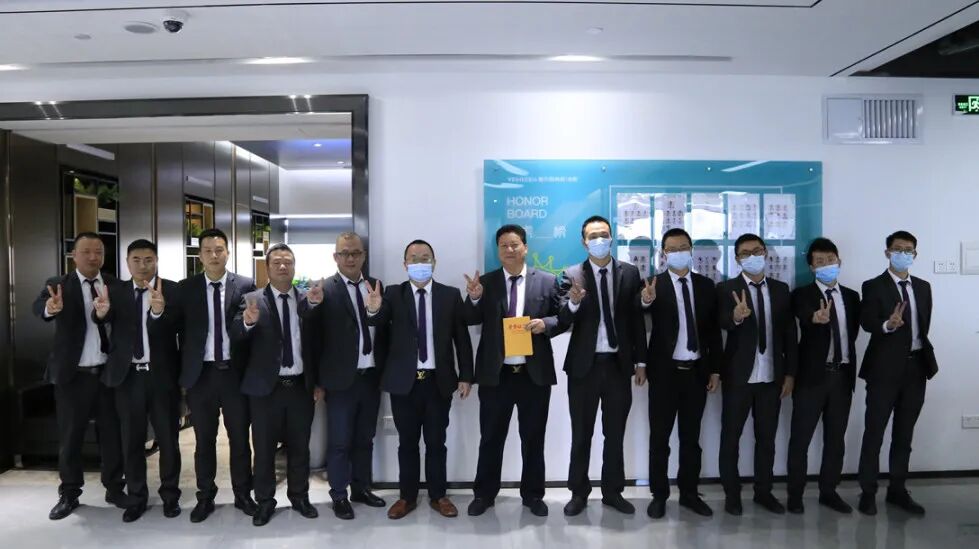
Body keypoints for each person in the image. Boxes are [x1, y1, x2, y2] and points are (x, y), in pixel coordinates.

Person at [365, 239, 474, 520]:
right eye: (414, 258)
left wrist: (466, 376)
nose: (420, 263)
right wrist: (374, 309)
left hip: (439, 382)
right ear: (405, 264)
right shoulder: (392, 293)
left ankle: (439, 496)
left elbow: (461, 339)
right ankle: (407, 497)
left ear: (434, 263)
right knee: (407, 443)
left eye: (425, 258)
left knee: (437, 442)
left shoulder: (450, 295)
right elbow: (378, 323)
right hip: (404, 384)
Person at [464, 224, 563, 518]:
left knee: (533, 438)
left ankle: (533, 495)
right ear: (498, 250)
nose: (510, 249)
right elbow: (469, 318)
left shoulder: (547, 281)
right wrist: (474, 298)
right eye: (504, 245)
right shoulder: (487, 283)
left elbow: (563, 317)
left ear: (525, 248)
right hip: (497, 375)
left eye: (515, 244)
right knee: (491, 438)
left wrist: (546, 324)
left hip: (533, 375)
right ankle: (484, 495)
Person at [163, 228, 257, 522]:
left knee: (240, 439)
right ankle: (205, 496)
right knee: (204, 440)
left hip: (234, 375)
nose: (214, 255)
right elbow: (173, 329)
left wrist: (249, 324)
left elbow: (248, 331)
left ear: (228, 253)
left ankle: (243, 494)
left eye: (219, 250)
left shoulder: (245, 284)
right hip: (201, 376)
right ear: (200, 255)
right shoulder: (185, 288)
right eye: (208, 251)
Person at [556, 215, 647, 516]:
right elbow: (563, 319)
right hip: (584, 367)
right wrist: (573, 303)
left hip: (618, 366)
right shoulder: (572, 274)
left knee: (615, 434)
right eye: (592, 236)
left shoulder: (630, 273)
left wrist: (641, 362)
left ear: (612, 237)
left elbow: (636, 320)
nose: (599, 240)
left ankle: (613, 492)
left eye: (603, 234)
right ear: (584, 242)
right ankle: (578, 493)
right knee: (581, 434)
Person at [32, 232, 126, 520]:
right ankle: (70, 493)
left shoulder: (114, 285)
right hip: (73, 376)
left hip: (107, 375)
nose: (93, 257)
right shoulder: (58, 284)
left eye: (98, 252)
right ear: (74, 255)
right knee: (71, 437)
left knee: (112, 435)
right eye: (86, 251)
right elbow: (39, 308)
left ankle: (114, 487)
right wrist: (50, 308)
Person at [231, 243, 322, 526]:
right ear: (267, 267)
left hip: (299, 387)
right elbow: (235, 335)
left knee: (300, 447)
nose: (283, 266)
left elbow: (317, 346)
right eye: (277, 262)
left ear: (294, 267)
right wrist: (247, 323)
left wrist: (317, 382)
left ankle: (300, 496)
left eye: (288, 262)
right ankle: (265, 501)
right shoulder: (251, 299)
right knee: (264, 450)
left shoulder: (308, 300)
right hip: (264, 390)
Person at [304, 231, 389, 520]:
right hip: (340, 381)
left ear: (363, 255)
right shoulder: (324, 289)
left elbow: (384, 328)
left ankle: (361, 488)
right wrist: (316, 381)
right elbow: (311, 335)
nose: (350, 258)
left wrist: (376, 310)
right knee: (339, 442)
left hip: (371, 378)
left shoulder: (376, 286)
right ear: (335, 257)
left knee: (365, 439)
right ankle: (339, 494)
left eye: (355, 253)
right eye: (344, 253)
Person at [856, 230, 938, 516]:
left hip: (916, 368)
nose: (903, 253)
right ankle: (868, 492)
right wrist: (888, 325)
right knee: (874, 432)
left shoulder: (923, 287)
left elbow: (923, 326)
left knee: (904, 434)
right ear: (887, 252)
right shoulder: (873, 286)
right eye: (898, 249)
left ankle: (898, 490)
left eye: (909, 250)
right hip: (883, 370)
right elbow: (867, 322)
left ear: (915, 254)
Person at [642, 228, 722, 519]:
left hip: (696, 373)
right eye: (672, 249)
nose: (678, 252)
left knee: (691, 439)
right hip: (664, 375)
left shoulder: (705, 286)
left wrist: (715, 370)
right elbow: (639, 311)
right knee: (659, 439)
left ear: (691, 249)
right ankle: (659, 495)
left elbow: (713, 331)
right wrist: (646, 300)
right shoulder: (653, 284)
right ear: (664, 254)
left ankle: (689, 493)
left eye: (683, 247)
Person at [716, 233, 797, 516]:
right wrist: (736, 317)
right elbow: (720, 322)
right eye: (745, 253)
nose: (752, 257)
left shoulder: (781, 289)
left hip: (771, 377)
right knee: (731, 439)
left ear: (765, 253)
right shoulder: (726, 288)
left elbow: (789, 334)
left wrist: (790, 374)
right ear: (737, 259)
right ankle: (732, 494)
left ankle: (764, 492)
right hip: (739, 376)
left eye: (757, 251)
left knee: (766, 439)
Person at [103, 239, 182, 522]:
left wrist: (159, 312)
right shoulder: (116, 292)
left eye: (148, 259)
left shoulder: (172, 289)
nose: (143, 265)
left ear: (156, 261)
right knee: (132, 441)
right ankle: (136, 497)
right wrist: (100, 313)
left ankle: (170, 496)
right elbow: (103, 317)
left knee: (168, 440)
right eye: (136, 260)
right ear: (127, 263)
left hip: (161, 377)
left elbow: (180, 328)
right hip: (128, 379)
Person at [786, 237, 860, 514]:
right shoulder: (801, 294)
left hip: (842, 376)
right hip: (811, 378)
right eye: (820, 261)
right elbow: (804, 315)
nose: (826, 264)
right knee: (800, 439)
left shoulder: (852, 297)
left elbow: (852, 333)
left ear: (839, 261)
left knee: (835, 440)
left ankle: (829, 492)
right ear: (811, 267)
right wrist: (815, 318)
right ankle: (795, 494)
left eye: (830, 259)